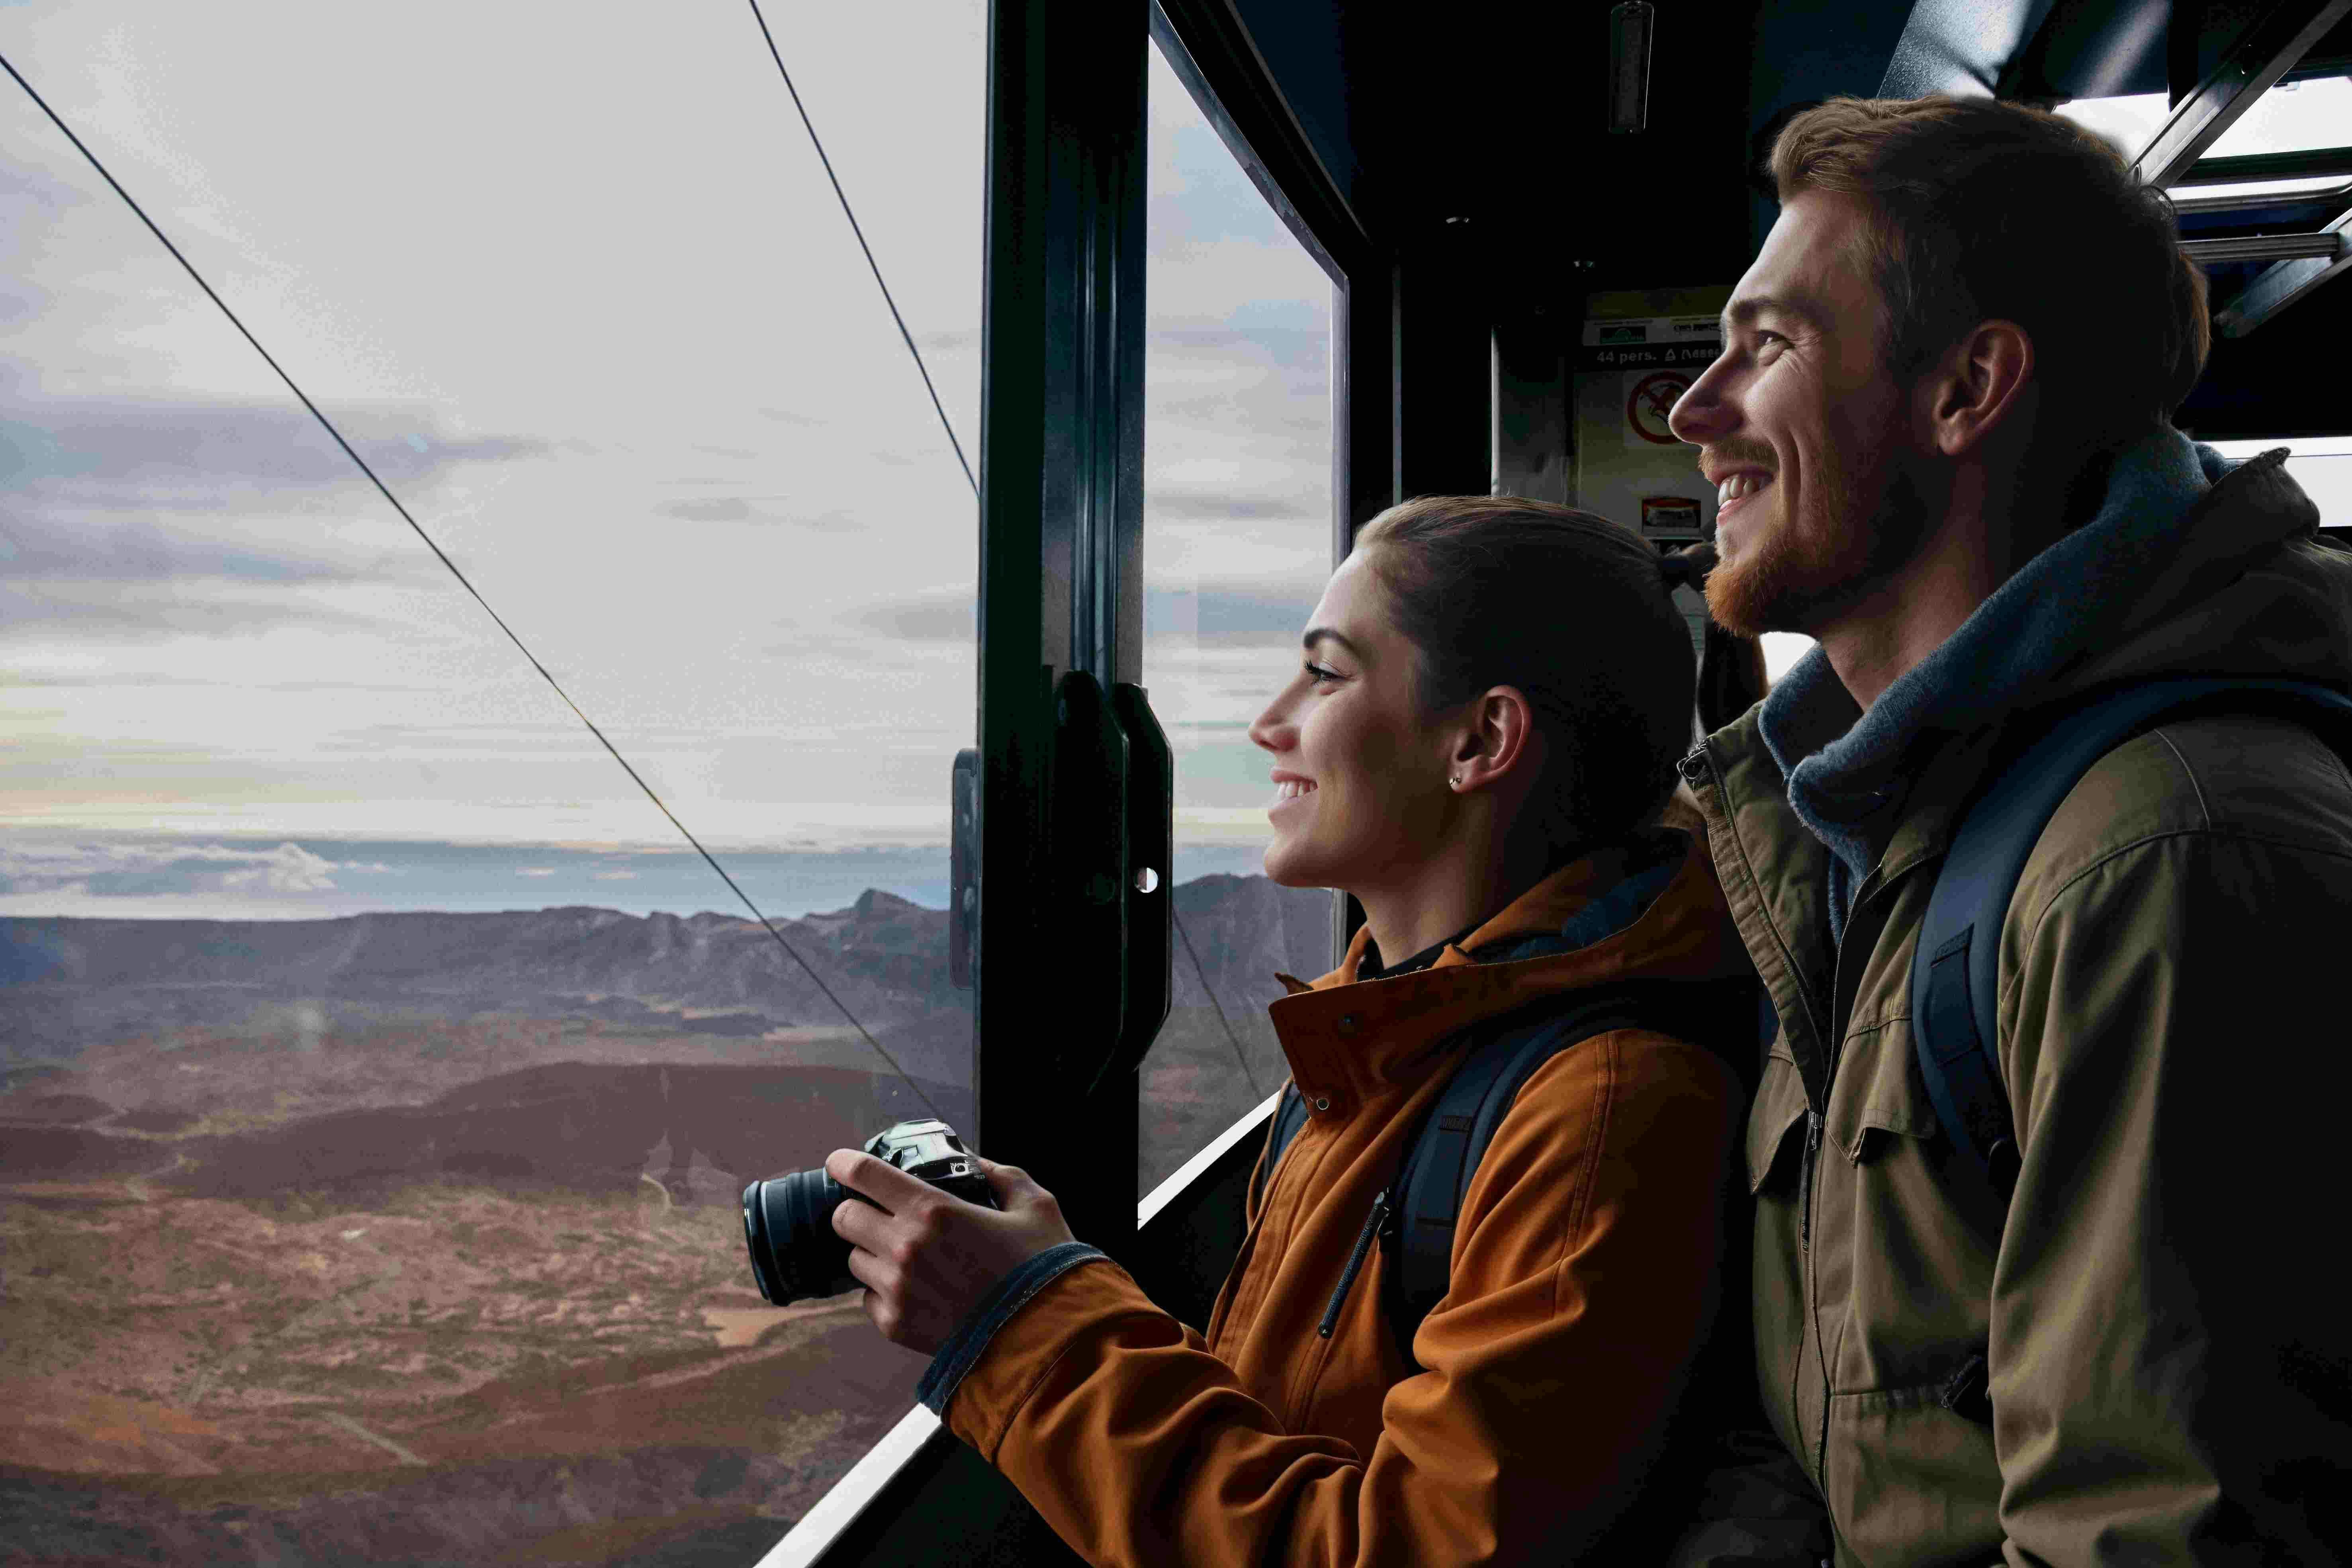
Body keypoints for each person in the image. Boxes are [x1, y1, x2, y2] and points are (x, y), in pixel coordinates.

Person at [823, 495, 1766, 1564]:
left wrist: (1023, 1324)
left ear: (1481, 739)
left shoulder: (1605, 1109)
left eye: (1323, 675)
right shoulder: (1385, 1038)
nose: (1269, 723)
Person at [1667, 94, 2352, 1564]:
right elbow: (1829, 1427)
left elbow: (2160, 1533)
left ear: (1967, 388)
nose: (1694, 410)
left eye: (1770, 343)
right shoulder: (1867, 828)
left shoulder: (2169, 853)